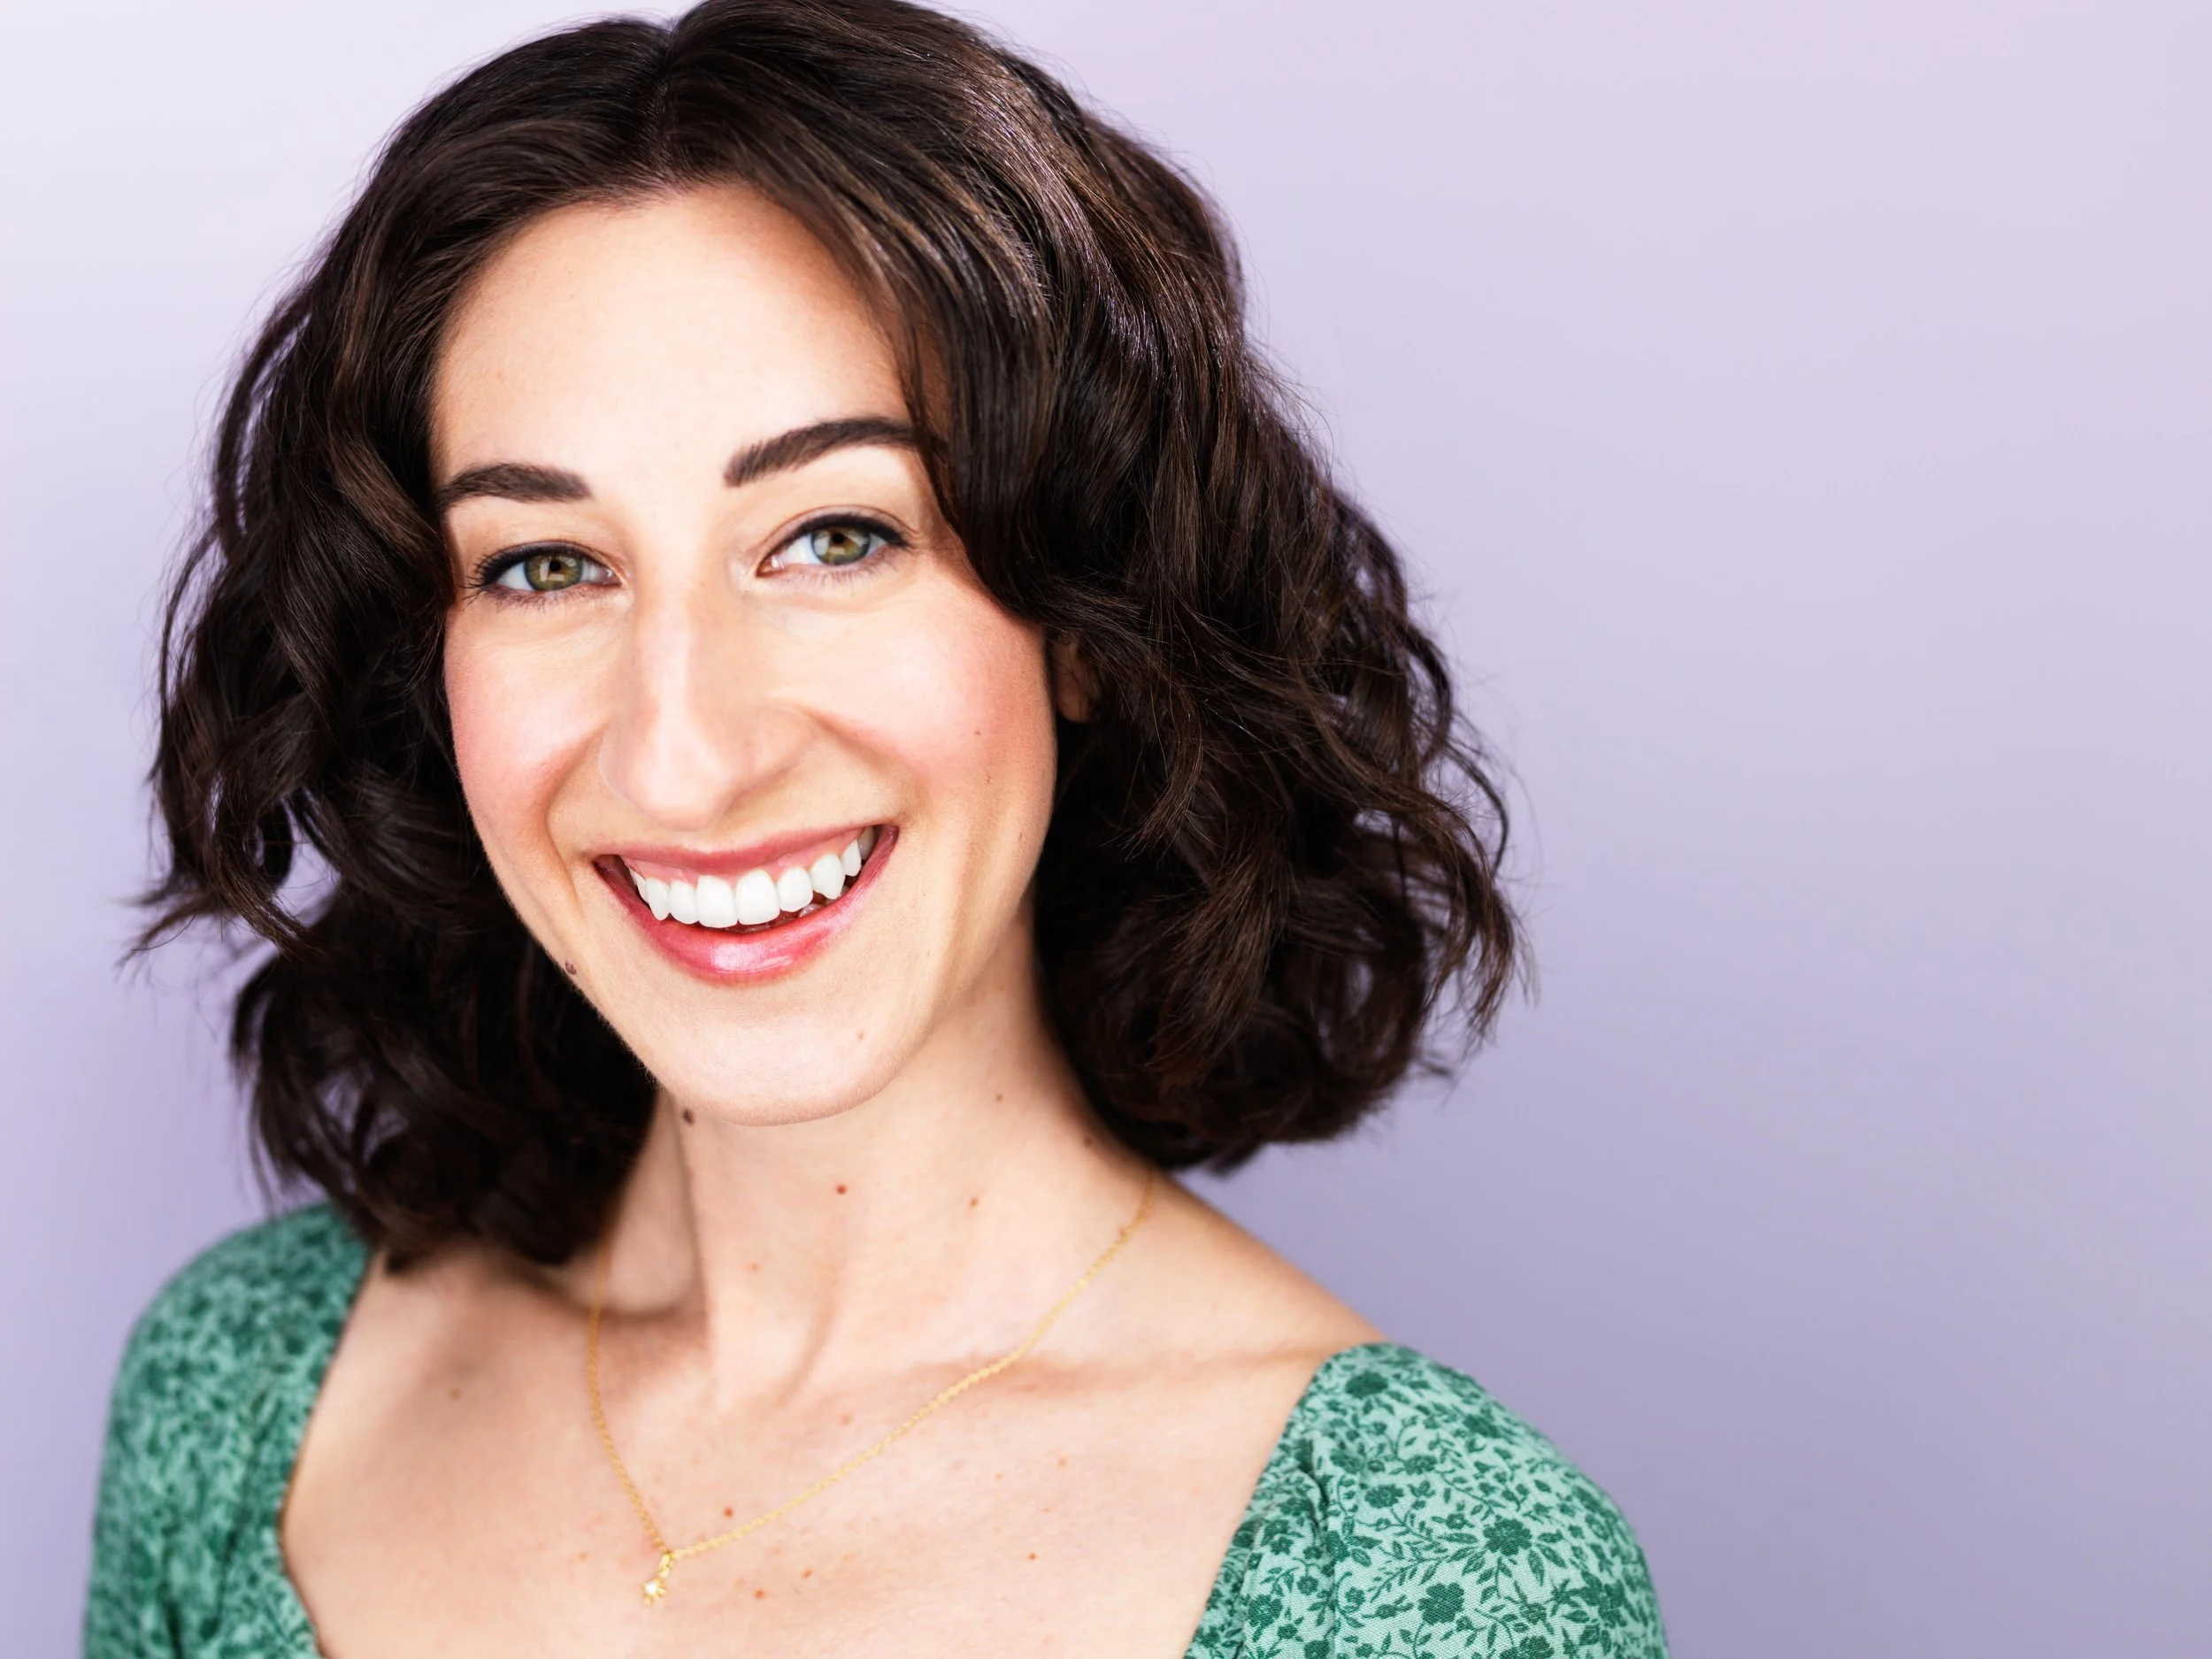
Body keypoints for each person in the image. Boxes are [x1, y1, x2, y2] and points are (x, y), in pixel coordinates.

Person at [86, 2, 1666, 1654]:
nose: (686, 756)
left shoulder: (1421, 1582)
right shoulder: (247, 1397)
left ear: (1091, 625)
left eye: (837, 535)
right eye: (546, 564)